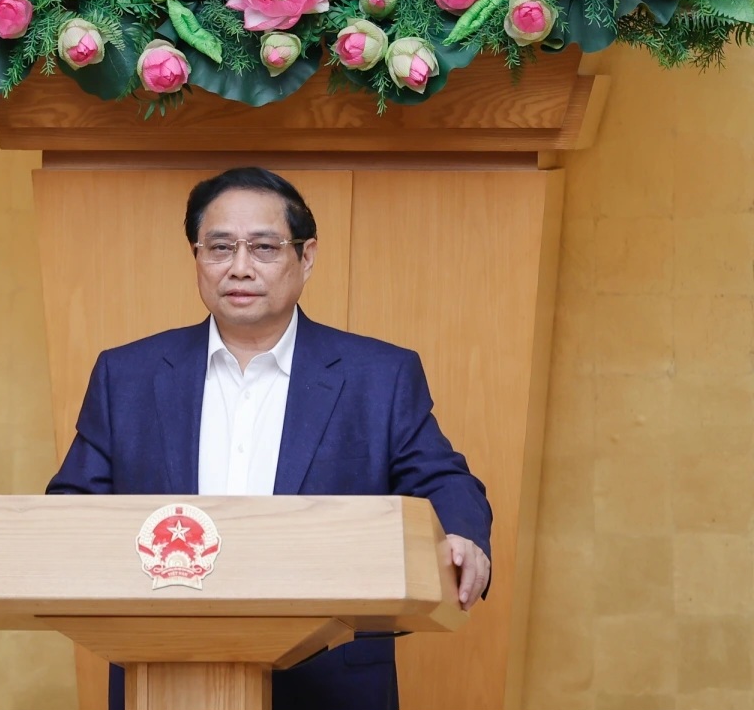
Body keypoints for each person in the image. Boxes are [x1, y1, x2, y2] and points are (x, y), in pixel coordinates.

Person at [46, 166, 492, 710]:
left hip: (330, 681)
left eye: (263, 247)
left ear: (306, 257)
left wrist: (462, 534)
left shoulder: (379, 375)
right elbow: (71, 509)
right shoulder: (127, 375)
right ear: (196, 257)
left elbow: (444, 479)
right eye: (219, 247)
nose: (239, 267)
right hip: (163, 673)